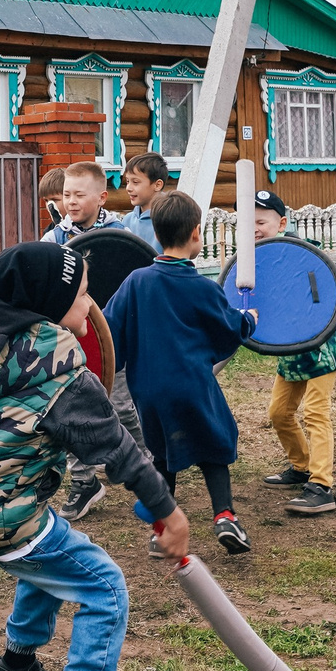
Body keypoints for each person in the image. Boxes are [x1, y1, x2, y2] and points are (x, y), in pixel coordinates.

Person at [0, 242, 190, 671]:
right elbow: (117, 450)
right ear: (50, 303)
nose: (91, 304)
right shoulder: (61, 370)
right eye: (83, 292)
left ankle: (17, 665)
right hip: (1, 512)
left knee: (54, 555)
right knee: (104, 586)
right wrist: (168, 511)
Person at [104, 191, 255, 554]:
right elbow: (227, 326)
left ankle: (161, 531)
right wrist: (248, 320)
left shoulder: (136, 281)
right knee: (214, 446)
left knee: (162, 454)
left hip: (148, 390)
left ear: (155, 233)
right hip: (192, 383)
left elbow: (109, 331)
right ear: (197, 234)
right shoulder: (201, 287)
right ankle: (224, 516)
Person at [43, 161, 149, 521]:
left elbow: (137, 281)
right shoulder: (53, 238)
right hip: (68, 339)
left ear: (101, 197)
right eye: (66, 195)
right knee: (71, 410)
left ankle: (146, 461)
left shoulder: (122, 236)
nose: (70, 202)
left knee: (120, 406)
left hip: (112, 337)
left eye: (79, 195)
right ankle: (85, 480)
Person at [249, 189, 336, 516]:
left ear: (282, 222)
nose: (255, 229)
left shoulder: (306, 255)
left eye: (261, 222)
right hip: (290, 352)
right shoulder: (256, 260)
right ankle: (300, 465)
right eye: (249, 223)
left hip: (319, 348)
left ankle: (321, 486)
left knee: (316, 413)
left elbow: (321, 299)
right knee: (279, 412)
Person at [115, 153, 171, 242]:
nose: (128, 188)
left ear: (157, 185)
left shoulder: (170, 219)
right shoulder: (127, 220)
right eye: (127, 181)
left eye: (135, 182)